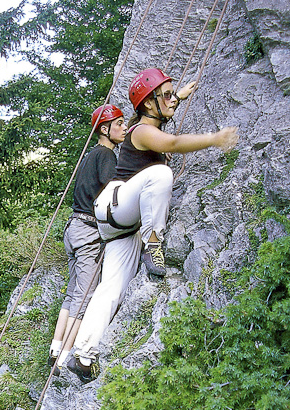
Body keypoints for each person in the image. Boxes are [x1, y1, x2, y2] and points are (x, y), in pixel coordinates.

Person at [67, 68, 239, 383]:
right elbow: (171, 143)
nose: (173, 99)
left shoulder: (147, 119)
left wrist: (179, 94)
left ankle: (83, 355)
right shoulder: (142, 130)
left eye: (174, 94)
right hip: (119, 205)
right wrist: (214, 139)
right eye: (166, 95)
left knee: (111, 288)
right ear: (148, 105)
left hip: (119, 222)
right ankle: (154, 243)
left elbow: (165, 113)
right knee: (161, 175)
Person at [48, 104, 127, 376]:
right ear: (104, 129)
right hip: (87, 231)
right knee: (85, 296)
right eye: (118, 124)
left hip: (73, 228)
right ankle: (65, 358)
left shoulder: (91, 155)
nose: (124, 128)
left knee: (73, 294)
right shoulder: (106, 154)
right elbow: (113, 187)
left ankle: (56, 348)